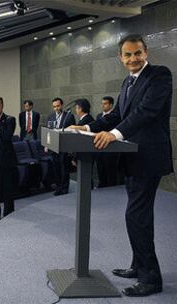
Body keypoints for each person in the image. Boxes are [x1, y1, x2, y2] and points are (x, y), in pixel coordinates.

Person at [69, 34, 173, 297]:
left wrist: (114, 135)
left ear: (145, 52)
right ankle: (138, 266)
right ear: (120, 57)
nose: (133, 59)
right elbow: (116, 115)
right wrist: (87, 127)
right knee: (136, 215)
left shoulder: (160, 75)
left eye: (137, 53)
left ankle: (151, 279)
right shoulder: (127, 82)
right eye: (127, 55)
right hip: (131, 158)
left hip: (148, 158)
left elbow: (146, 112)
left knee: (136, 217)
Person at [46, 98, 75, 196]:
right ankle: (58, 187)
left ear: (62, 105)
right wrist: (47, 144)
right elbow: (48, 132)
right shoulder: (50, 116)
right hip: (54, 146)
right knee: (56, 168)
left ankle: (65, 188)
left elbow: (72, 131)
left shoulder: (69, 116)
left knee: (64, 168)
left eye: (58, 106)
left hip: (64, 146)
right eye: (54, 106)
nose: (56, 108)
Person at [95, 96, 120, 188]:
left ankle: (111, 187)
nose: (103, 106)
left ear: (111, 105)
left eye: (105, 104)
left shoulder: (116, 116)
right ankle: (102, 184)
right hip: (99, 147)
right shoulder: (99, 116)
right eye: (102, 103)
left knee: (110, 170)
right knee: (100, 168)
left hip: (110, 147)